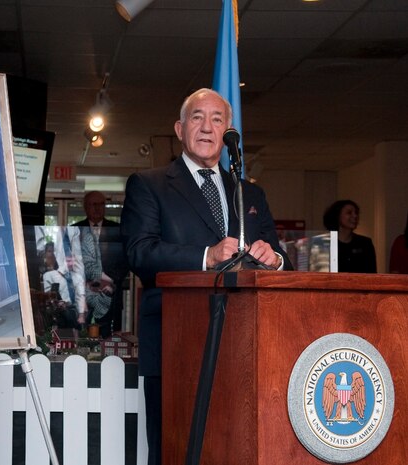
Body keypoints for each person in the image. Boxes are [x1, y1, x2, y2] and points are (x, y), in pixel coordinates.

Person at [120, 88, 292, 465]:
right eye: (197, 117)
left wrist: (274, 259)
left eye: (217, 119)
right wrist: (206, 256)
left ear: (228, 131)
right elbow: (139, 253)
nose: (207, 127)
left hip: (243, 344)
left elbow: (283, 259)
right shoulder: (148, 184)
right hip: (175, 342)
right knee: (175, 450)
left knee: (233, 449)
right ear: (180, 129)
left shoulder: (250, 193)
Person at [72, 191, 130, 338]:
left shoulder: (118, 230)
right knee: (82, 333)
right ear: (85, 207)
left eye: (101, 204)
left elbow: (125, 261)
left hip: (110, 292)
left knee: (108, 336)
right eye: (94, 204)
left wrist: (108, 280)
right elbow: (69, 260)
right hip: (83, 293)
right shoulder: (75, 229)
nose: (98, 208)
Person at [322, 199, 377, 273]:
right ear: (337, 216)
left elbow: (372, 274)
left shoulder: (365, 243)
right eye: (349, 213)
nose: (355, 216)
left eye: (356, 213)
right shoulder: (323, 243)